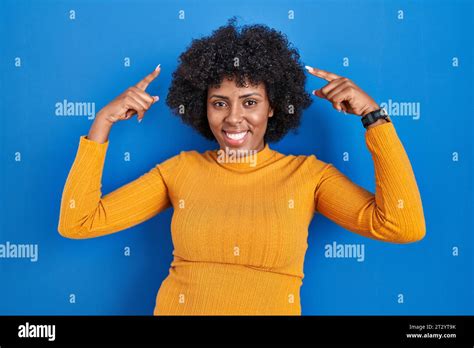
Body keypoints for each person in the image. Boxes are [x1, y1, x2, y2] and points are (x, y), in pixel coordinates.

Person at [58, 19, 425, 315]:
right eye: (219, 103)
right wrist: (101, 123)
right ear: (204, 108)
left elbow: (401, 225)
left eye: (250, 102)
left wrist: (375, 118)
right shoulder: (180, 171)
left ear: (273, 107)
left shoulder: (309, 177)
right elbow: (79, 222)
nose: (234, 118)